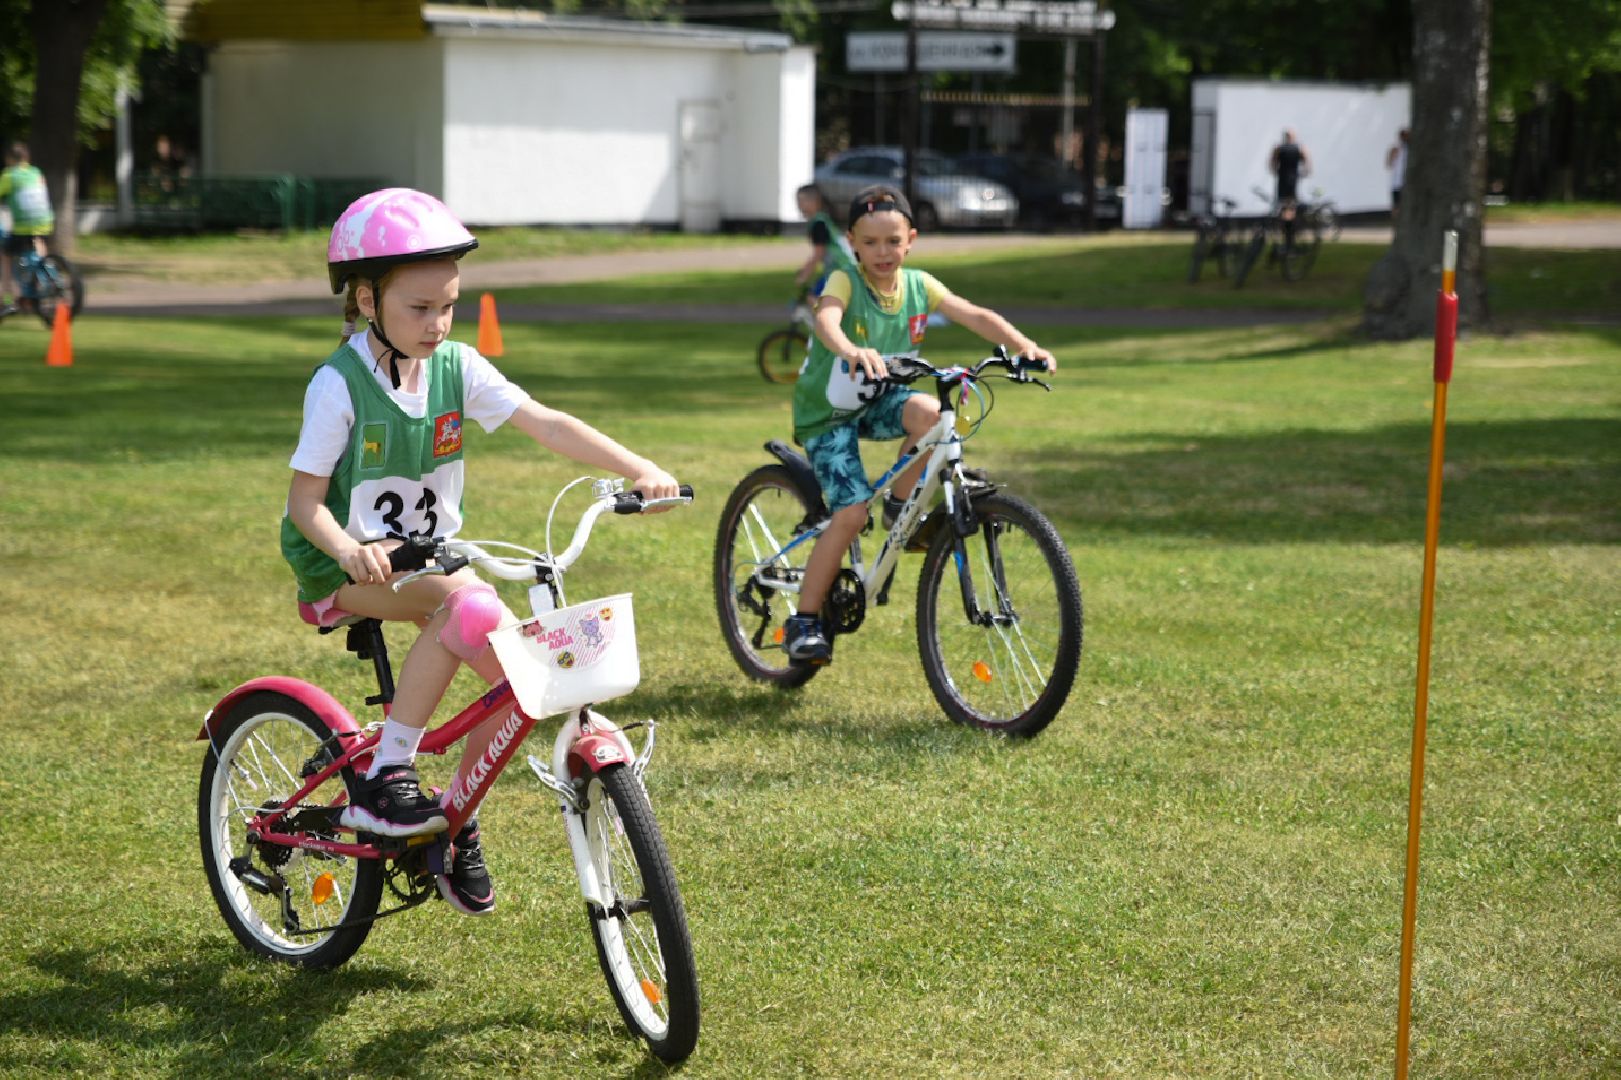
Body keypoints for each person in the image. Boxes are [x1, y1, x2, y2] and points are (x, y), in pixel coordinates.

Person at [283, 188, 680, 915]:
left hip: (428, 556)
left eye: (448, 306)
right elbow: (304, 504)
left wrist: (637, 469)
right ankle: (387, 774)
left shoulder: (455, 367)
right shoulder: (336, 386)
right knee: (469, 606)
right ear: (366, 301)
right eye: (418, 308)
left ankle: (451, 817)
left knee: (522, 681)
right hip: (345, 566)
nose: (437, 324)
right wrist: (348, 550)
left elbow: (545, 422)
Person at [783, 185, 1055, 665]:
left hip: (879, 398)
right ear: (852, 243)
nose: (882, 252)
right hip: (828, 413)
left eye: (893, 241)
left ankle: (900, 506)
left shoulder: (919, 285)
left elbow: (973, 314)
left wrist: (1023, 346)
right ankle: (804, 621)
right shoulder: (846, 281)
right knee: (848, 515)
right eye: (870, 243)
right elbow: (827, 319)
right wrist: (849, 349)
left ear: (911, 238)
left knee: (935, 415)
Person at [0, 142, 55, 317]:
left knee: (6, 254)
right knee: (37, 244)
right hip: (46, 222)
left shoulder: (9, 175)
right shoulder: (36, 172)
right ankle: (45, 272)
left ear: (9, 159)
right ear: (26, 158)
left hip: (24, 225)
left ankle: (7, 301)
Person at [793, 184, 855, 297]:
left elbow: (818, 253)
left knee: (813, 297)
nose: (799, 206)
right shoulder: (824, 220)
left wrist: (804, 275)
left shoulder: (818, 224)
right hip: (845, 268)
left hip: (840, 269)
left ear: (815, 202)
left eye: (802, 201)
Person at [1268, 128, 1312, 248]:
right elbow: (1307, 160)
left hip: (1285, 181)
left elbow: (1272, 163)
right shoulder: (1298, 148)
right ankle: (1290, 235)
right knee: (1289, 208)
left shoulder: (1279, 148)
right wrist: (1306, 171)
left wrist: (1274, 170)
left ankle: (1289, 235)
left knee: (1286, 208)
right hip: (1291, 181)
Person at [1387, 128, 1410, 218]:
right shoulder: (1396, 149)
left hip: (1406, 183)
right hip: (1397, 183)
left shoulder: (1410, 150)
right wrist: (1393, 155)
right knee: (1396, 206)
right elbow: (1389, 165)